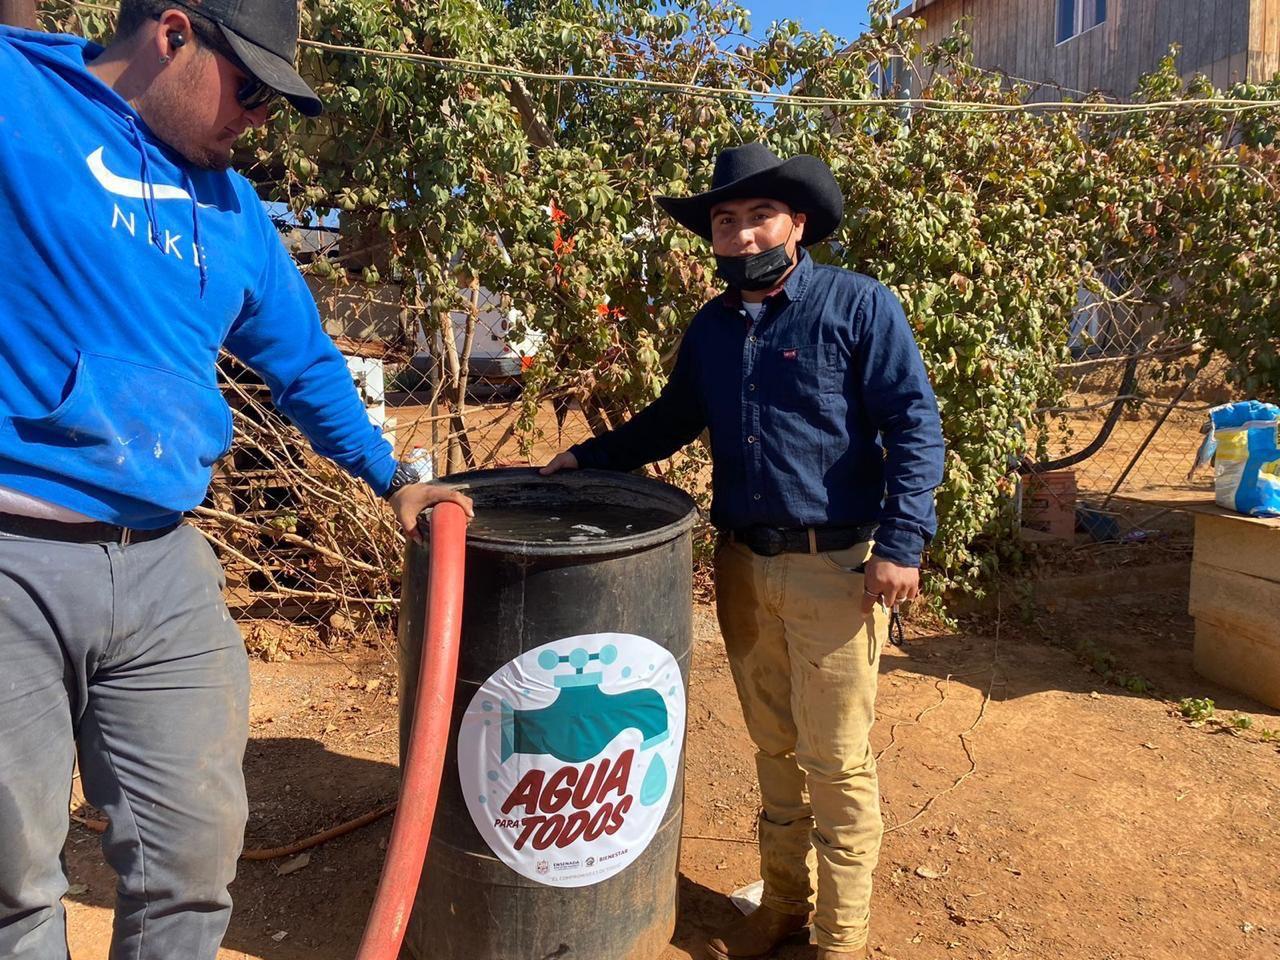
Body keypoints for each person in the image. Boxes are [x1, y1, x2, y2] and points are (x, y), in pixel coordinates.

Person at [0, 3, 471, 957]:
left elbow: (304, 366)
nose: (256, 119)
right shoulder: (19, 102)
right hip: (12, 558)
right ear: (174, 35)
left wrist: (391, 476)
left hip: (165, 566)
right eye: (249, 88)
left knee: (190, 867)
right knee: (11, 884)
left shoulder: (236, 214)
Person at [542, 143, 945, 959]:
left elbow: (915, 424)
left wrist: (901, 542)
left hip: (838, 571)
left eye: (759, 216)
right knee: (772, 746)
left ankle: (841, 935)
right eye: (726, 222)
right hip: (742, 566)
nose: (742, 235)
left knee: (835, 761)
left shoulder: (860, 307)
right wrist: (590, 456)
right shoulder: (714, 328)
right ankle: (784, 907)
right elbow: (672, 418)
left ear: (796, 223)